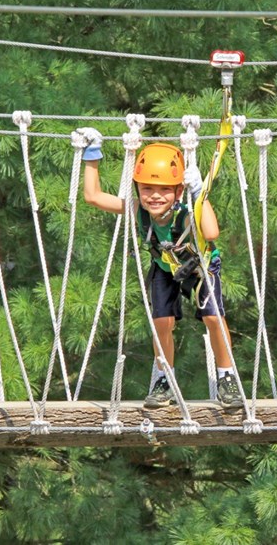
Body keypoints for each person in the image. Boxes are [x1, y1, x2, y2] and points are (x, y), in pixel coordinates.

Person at [78, 129, 243, 409]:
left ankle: (227, 376)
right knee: (161, 323)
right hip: (165, 268)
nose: (155, 196)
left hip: (200, 267)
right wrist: (92, 154)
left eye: (165, 189)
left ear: (178, 190)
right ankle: (164, 378)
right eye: (147, 189)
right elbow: (93, 196)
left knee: (213, 319)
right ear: (137, 189)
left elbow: (212, 231)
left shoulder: (188, 209)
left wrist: (200, 194)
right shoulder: (138, 210)